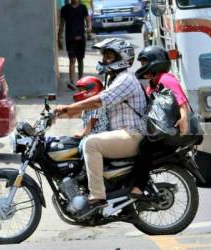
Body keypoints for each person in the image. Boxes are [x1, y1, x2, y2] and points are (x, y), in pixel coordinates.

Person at [54, 38, 148, 217]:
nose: (105, 60)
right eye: (104, 56)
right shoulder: (113, 80)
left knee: (91, 144)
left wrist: (67, 108)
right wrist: (60, 115)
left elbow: (99, 101)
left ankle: (97, 198)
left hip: (132, 135)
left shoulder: (125, 79)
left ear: (122, 57)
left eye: (109, 56)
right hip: (121, 134)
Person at [131, 45, 189, 198]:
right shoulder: (153, 84)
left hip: (170, 130)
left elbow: (181, 99)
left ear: (155, 63)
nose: (142, 67)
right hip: (161, 129)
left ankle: (138, 187)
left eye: (144, 63)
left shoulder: (166, 78)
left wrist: (184, 118)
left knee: (144, 147)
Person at [58, 0, 92, 91]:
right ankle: (72, 82)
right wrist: (59, 38)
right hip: (70, 38)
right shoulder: (64, 9)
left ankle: (81, 81)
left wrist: (89, 27)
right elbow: (62, 24)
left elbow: (88, 20)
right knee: (72, 60)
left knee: (80, 60)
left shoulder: (83, 7)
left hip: (81, 38)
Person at [72, 76, 109, 153]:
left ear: (92, 90)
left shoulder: (97, 104)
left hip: (98, 135)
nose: (79, 93)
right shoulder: (88, 105)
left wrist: (83, 133)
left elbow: (93, 120)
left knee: (81, 148)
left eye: (82, 90)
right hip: (91, 134)